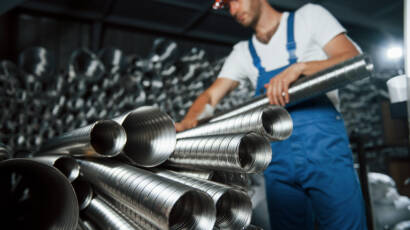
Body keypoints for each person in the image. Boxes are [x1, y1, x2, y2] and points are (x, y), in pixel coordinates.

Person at [175, 0, 367, 229]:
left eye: (235, 1)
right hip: (278, 159)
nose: (233, 11)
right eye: (227, 7)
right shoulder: (243, 52)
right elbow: (211, 97)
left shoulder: (309, 17)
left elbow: (352, 58)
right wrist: (190, 119)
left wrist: (301, 69)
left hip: (324, 150)